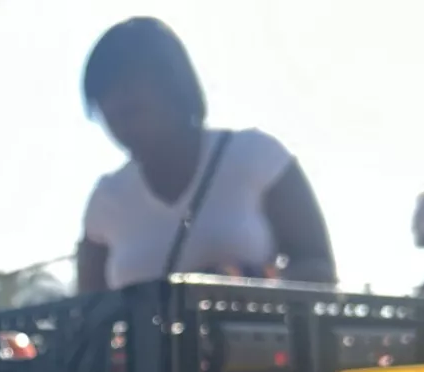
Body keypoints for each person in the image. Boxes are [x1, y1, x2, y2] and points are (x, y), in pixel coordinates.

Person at [75, 17, 337, 293]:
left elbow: (319, 269)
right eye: (111, 119)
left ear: (173, 91)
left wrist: (238, 280)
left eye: (133, 111)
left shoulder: (256, 157)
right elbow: (89, 316)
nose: (123, 131)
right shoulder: (106, 200)